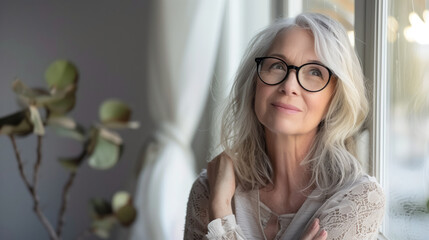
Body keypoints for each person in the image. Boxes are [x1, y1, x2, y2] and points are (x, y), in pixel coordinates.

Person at [184, 12, 385, 240]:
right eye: (277, 66)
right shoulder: (209, 188)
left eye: (315, 72)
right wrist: (218, 198)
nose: (289, 85)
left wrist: (219, 213)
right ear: (254, 84)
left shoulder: (359, 198)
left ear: (335, 99)